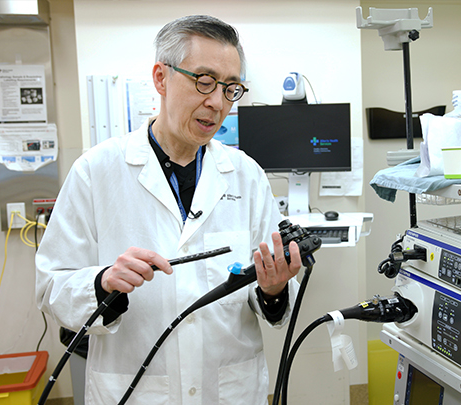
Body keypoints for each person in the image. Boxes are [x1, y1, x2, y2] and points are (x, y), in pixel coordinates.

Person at [36, 15, 301, 404]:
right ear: (161, 78)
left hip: (227, 390)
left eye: (231, 88)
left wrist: (274, 286)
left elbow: (270, 296)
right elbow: (51, 285)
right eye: (204, 81)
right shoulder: (97, 172)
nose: (217, 102)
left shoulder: (246, 175)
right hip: (136, 391)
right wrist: (104, 282)